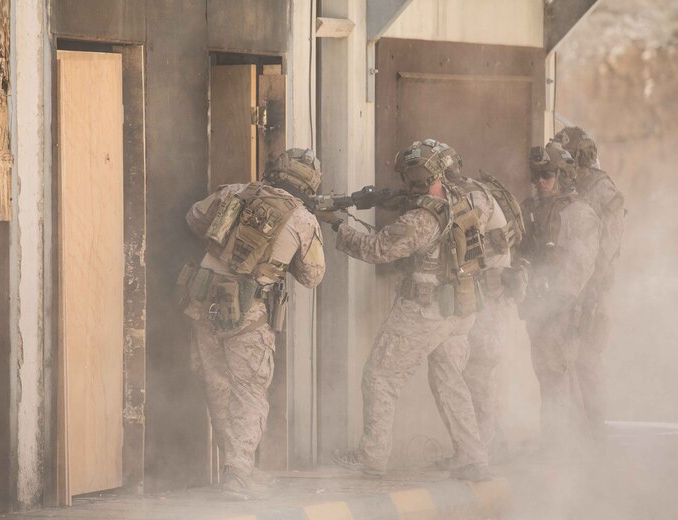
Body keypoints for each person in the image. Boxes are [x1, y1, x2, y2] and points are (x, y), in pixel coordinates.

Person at [318, 139, 492, 481]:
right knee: (448, 380)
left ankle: (372, 456)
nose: (403, 183)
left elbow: (375, 249)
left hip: (425, 307)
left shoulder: (422, 219)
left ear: (417, 176)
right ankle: (473, 457)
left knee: (380, 376)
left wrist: (337, 224)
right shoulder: (466, 199)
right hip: (460, 305)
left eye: (407, 177)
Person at [181, 148, 325, 498]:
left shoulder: (234, 192)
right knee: (249, 392)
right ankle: (238, 472)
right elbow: (313, 276)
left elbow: (193, 219)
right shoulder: (303, 218)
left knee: (217, 385)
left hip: (204, 302)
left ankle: (239, 468)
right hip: (248, 311)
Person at [440, 147, 527, 465]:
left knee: (479, 372)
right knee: (478, 372)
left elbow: (458, 242)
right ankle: (486, 445)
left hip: (490, 293)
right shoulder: (470, 191)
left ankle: (482, 450)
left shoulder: (471, 197)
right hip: (484, 293)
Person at [517, 142, 601, 453]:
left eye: (547, 175)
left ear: (563, 177)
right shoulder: (532, 210)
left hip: (562, 309)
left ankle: (562, 450)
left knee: (558, 376)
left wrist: (555, 306)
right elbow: (523, 252)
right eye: (536, 175)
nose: (540, 182)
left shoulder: (578, 213)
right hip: (540, 306)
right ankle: (559, 445)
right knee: (549, 376)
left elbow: (578, 270)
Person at [553, 127, 625, 442]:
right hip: (579, 287)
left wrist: (592, 290)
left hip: (594, 291)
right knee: (567, 358)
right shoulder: (579, 187)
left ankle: (595, 433)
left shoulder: (601, 189)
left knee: (586, 359)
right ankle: (576, 432)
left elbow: (607, 247)